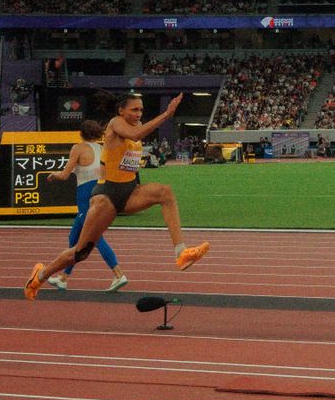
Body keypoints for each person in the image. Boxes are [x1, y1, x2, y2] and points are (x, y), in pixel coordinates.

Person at [25, 94, 207, 299]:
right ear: (121, 111)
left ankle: (181, 253)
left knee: (165, 192)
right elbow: (137, 135)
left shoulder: (133, 126)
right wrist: (167, 114)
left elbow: (131, 149)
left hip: (129, 190)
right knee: (80, 253)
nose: (138, 114)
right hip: (107, 196)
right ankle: (39, 276)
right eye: (134, 110)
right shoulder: (116, 123)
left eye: (141, 110)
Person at [43, 119, 128, 293]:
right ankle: (64, 278)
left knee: (94, 237)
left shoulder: (79, 148)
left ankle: (119, 274)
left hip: (86, 196)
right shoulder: (103, 148)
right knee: (74, 238)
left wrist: (54, 175)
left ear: (81, 133)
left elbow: (65, 175)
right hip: (102, 192)